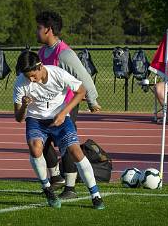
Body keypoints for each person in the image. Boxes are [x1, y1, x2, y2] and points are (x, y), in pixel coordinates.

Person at [13, 51, 104, 209]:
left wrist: (63, 113)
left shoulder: (58, 74)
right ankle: (47, 188)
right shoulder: (20, 82)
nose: (31, 80)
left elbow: (81, 90)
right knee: (35, 149)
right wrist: (25, 105)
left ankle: (95, 195)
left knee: (75, 150)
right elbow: (19, 118)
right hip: (35, 119)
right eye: (28, 77)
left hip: (60, 117)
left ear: (40, 66)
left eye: (33, 76)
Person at [35, 11, 101, 199]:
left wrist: (92, 100)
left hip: (66, 105)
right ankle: (56, 177)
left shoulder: (64, 53)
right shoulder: (42, 52)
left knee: (67, 144)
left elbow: (84, 77)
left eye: (39, 27)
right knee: (40, 142)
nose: (36, 31)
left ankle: (70, 188)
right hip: (45, 107)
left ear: (48, 30)